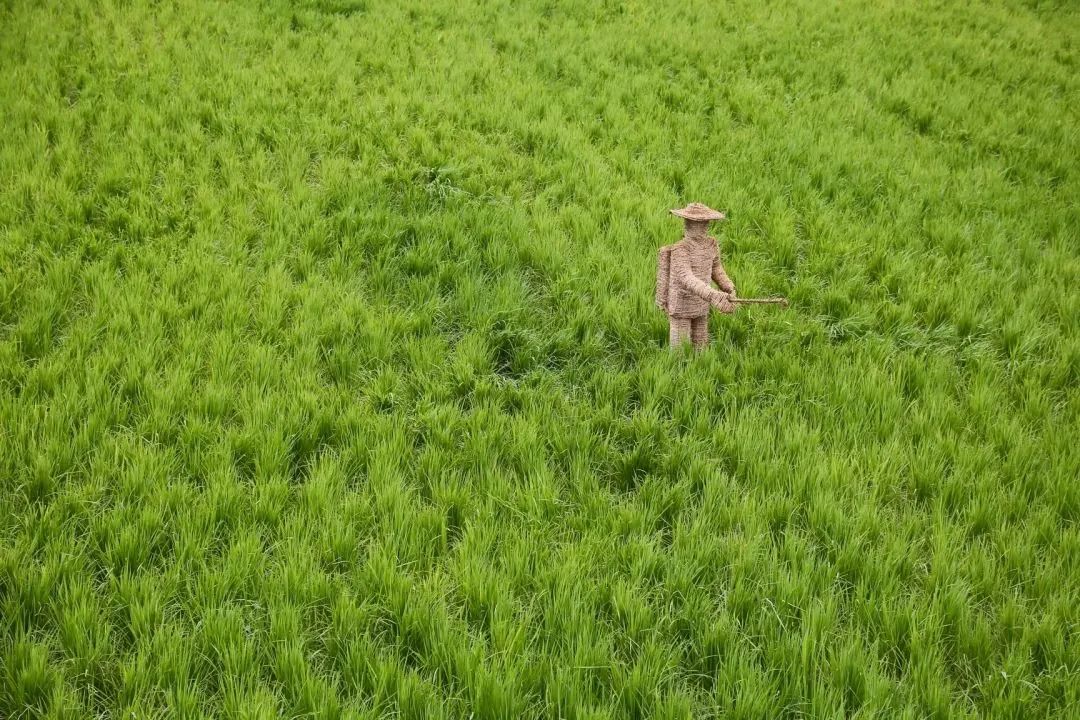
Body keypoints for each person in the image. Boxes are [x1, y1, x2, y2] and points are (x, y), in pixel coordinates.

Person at [656, 202, 737, 349]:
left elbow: (717, 269)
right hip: (682, 302)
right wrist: (712, 295)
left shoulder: (711, 244)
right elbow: (686, 277)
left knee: (700, 345)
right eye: (697, 223)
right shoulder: (680, 249)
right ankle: (677, 369)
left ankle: (699, 367)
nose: (702, 226)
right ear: (687, 223)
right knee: (680, 347)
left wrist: (729, 287)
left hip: (702, 303)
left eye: (704, 222)